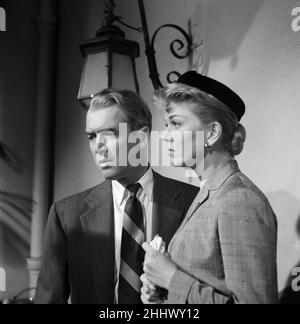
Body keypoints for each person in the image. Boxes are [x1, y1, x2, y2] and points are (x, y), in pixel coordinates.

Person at [34, 89, 199, 304]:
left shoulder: (193, 202)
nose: (98, 147)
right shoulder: (66, 215)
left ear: (141, 138)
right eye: (92, 136)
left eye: (110, 133)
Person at [141, 71, 279, 304]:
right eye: (166, 124)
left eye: (176, 123)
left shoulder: (239, 199)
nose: (165, 136)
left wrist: (171, 278)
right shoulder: (208, 193)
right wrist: (162, 296)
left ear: (212, 133)